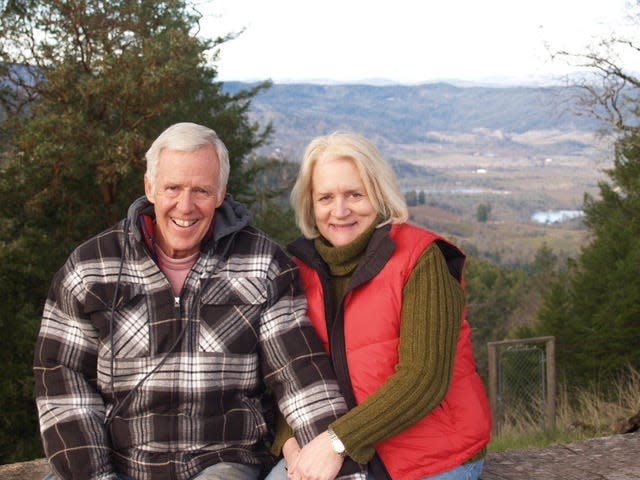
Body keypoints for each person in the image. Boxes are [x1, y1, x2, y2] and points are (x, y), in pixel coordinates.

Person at [33, 122, 365, 480]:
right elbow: (62, 379)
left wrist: (334, 455)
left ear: (221, 193)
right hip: (118, 462)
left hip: (222, 461)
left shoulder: (261, 264)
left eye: (201, 190)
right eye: (172, 187)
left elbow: (298, 374)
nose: (185, 206)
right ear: (150, 187)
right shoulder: (91, 267)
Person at [268, 132, 492, 480]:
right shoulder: (299, 270)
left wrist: (334, 443)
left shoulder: (422, 259)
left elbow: (423, 379)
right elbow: (290, 372)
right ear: (310, 204)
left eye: (355, 194)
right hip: (340, 450)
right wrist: (290, 443)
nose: (340, 211)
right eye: (326, 197)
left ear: (379, 193)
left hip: (430, 455)